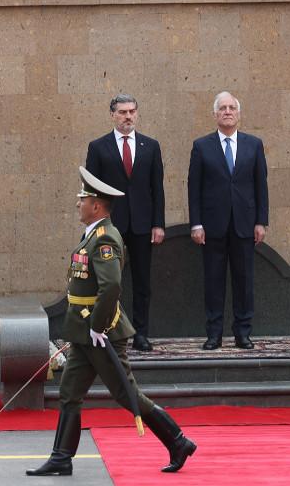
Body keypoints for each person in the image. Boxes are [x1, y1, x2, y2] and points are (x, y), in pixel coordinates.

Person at [27, 167, 196, 477]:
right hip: (84, 333)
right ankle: (61, 457)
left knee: (126, 394)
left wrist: (97, 326)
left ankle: (178, 441)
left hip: (100, 332)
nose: (77, 204)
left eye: (82, 200)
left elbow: (111, 286)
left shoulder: (105, 238)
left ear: (96, 205)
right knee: (69, 392)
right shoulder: (92, 235)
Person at [188, 91, 269, 350]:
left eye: (231, 107)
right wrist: (196, 223)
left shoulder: (253, 144)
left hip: (245, 225)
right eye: (222, 108)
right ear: (215, 114)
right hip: (212, 227)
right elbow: (194, 188)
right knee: (213, 282)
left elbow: (261, 185)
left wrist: (261, 221)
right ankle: (214, 334)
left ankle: (243, 333)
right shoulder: (201, 146)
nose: (227, 111)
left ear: (238, 113)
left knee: (244, 282)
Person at [85, 94, 165, 352]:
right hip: (110, 226)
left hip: (142, 224)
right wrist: (93, 225)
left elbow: (157, 188)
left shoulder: (150, 146)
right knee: (109, 281)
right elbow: (91, 190)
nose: (128, 116)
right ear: (112, 115)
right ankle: (109, 331)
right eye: (122, 112)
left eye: (131, 111)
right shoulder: (98, 147)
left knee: (142, 282)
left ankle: (141, 334)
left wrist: (158, 224)